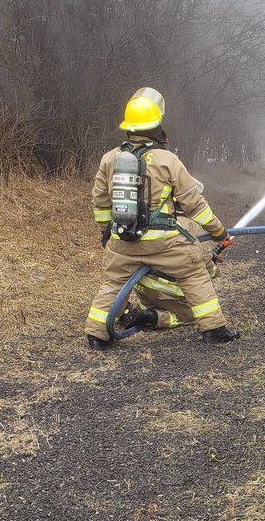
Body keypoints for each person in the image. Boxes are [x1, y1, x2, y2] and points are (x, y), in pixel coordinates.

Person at [85, 88, 240, 350]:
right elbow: (194, 205)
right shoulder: (168, 160)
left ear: (129, 127)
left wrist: (107, 235)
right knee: (193, 273)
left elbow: (100, 202)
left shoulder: (109, 159)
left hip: (123, 242)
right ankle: (213, 328)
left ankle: (97, 333)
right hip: (165, 244)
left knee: (113, 282)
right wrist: (218, 232)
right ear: (157, 125)